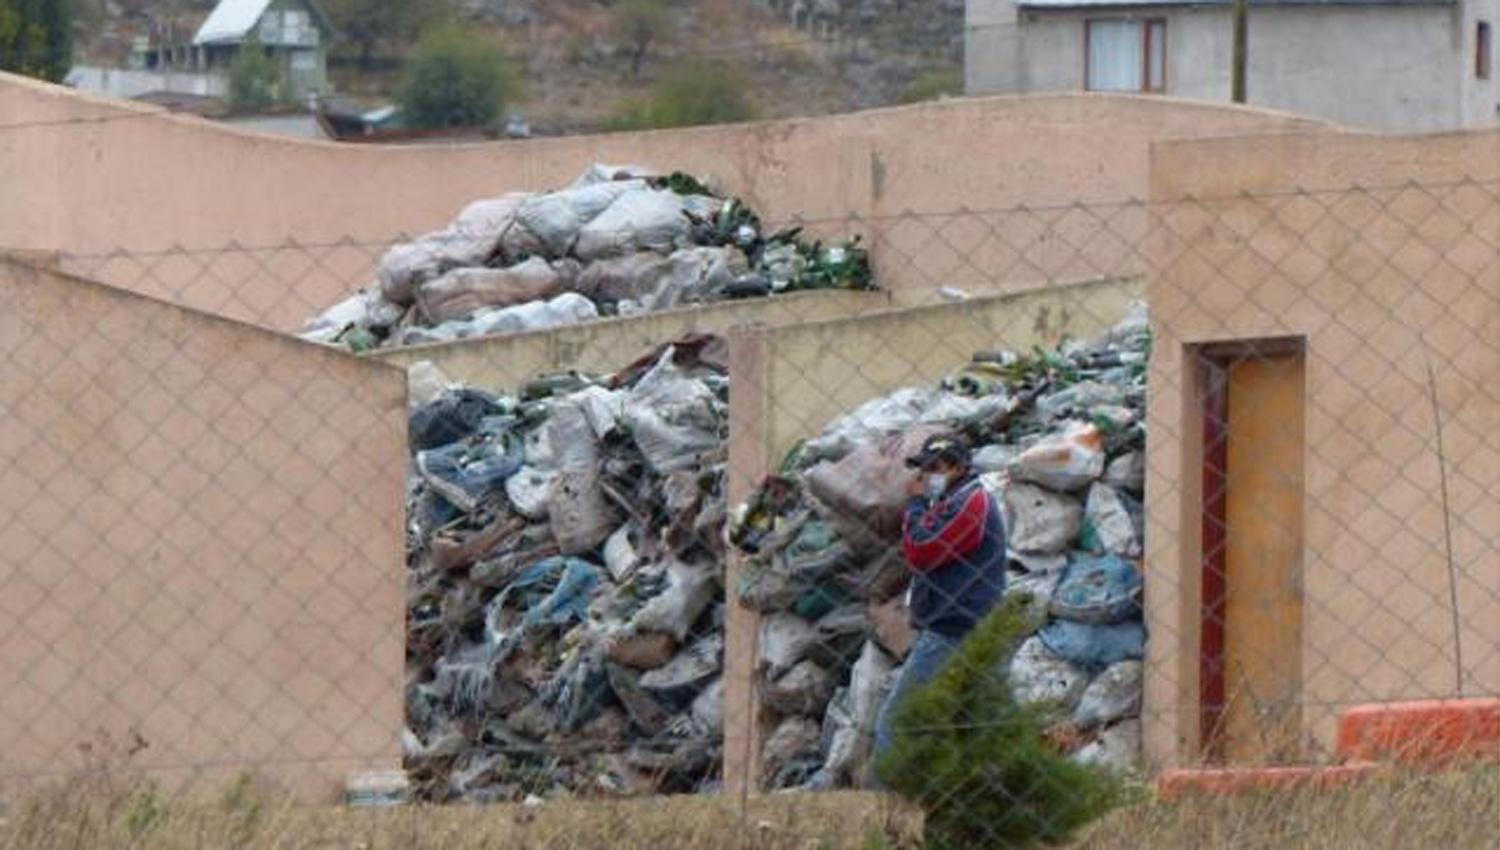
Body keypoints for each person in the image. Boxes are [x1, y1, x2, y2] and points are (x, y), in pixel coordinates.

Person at [870, 433, 1007, 772]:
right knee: (978, 719)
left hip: (957, 628)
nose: (927, 475)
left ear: (960, 467)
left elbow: (922, 550)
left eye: (936, 466)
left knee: (899, 717)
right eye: (924, 468)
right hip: (955, 624)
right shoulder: (949, 503)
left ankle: (883, 791)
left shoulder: (973, 502)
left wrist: (915, 504)